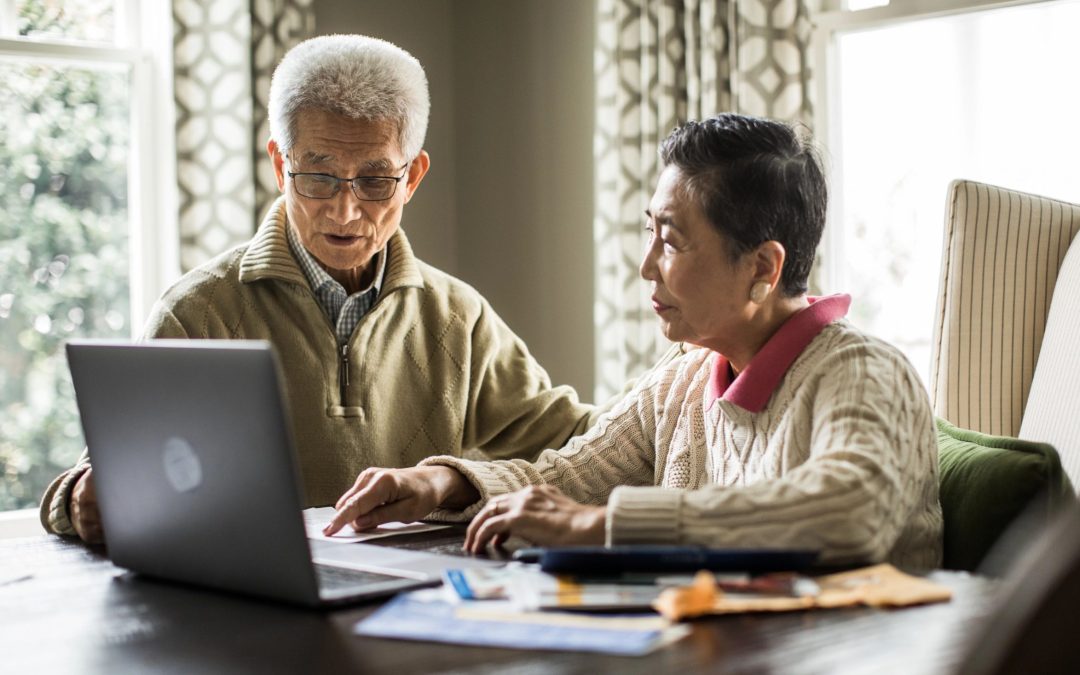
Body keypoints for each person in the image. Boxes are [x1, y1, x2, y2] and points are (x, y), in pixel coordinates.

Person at [40, 34, 610, 544]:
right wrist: (77, 501)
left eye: (375, 179)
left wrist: (686, 374)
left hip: (411, 621)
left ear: (412, 177)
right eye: (317, 175)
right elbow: (96, 481)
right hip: (244, 619)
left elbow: (587, 449)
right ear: (278, 164)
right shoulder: (198, 312)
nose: (345, 209)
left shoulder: (459, 318)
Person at [323, 113, 943, 569]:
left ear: (762, 268)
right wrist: (442, 485)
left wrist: (604, 527)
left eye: (671, 240)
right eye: (650, 231)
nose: (647, 266)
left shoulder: (862, 372)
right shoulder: (684, 374)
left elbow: (847, 512)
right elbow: (568, 478)